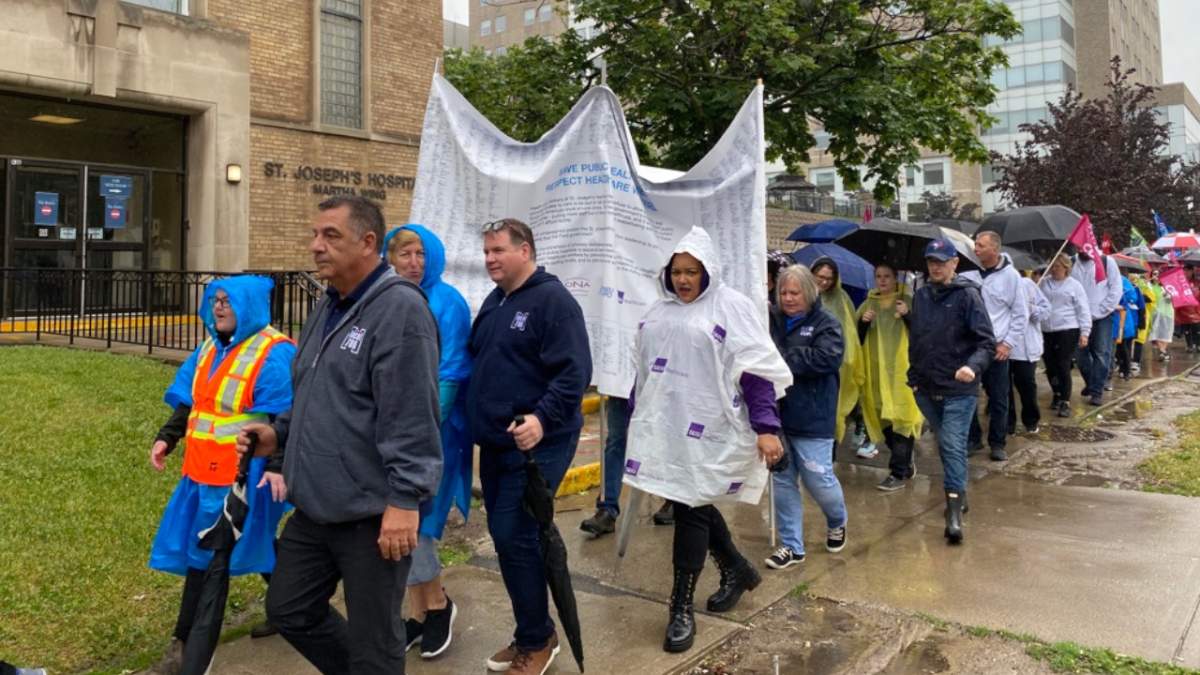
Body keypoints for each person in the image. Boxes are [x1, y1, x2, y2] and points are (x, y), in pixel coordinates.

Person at [238, 196, 443, 674]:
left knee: (376, 642)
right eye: (315, 235)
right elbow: (314, 390)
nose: (316, 246)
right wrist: (277, 435)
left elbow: (413, 415)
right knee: (289, 608)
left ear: (368, 242)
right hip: (316, 506)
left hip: (373, 514)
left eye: (330, 235)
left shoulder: (400, 310)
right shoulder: (329, 305)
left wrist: (405, 500)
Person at [623, 227, 791, 654]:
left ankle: (681, 606)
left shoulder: (730, 307)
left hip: (711, 428)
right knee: (688, 501)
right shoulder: (657, 312)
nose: (682, 279)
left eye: (691, 271)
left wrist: (766, 427)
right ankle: (736, 568)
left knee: (691, 508)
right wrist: (637, 416)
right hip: (665, 428)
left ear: (707, 271)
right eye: (676, 271)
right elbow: (642, 370)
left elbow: (754, 370)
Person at [148, 275, 295, 675]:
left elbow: (286, 416)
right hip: (202, 471)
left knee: (209, 553)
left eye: (228, 301)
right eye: (215, 300)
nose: (218, 306)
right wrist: (167, 437)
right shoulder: (208, 348)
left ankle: (186, 649)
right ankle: (294, 605)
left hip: (247, 474)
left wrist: (277, 467)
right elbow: (191, 401)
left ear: (249, 306)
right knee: (248, 540)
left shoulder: (273, 352)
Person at [468, 218, 593, 675]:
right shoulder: (496, 301)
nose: (490, 259)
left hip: (540, 443)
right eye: (486, 252)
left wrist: (541, 418)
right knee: (508, 537)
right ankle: (531, 631)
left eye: (498, 250)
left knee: (514, 533)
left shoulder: (553, 302)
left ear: (525, 251)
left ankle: (538, 640)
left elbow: (575, 372)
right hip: (497, 443)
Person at [382, 224, 472, 659]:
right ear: (390, 258)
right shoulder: (385, 297)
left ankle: (437, 606)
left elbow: (451, 371)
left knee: (416, 522)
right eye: (405, 254)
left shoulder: (447, 302)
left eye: (421, 254)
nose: (414, 263)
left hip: (434, 431)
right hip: (390, 429)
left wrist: (420, 427)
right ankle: (418, 613)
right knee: (397, 522)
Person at [907, 238, 995, 545]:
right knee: (946, 445)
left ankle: (953, 513)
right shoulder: (921, 296)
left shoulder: (968, 296)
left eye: (942, 262)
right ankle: (960, 491)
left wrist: (972, 366)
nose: (936, 267)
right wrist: (914, 376)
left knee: (953, 444)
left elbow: (987, 343)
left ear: (955, 263)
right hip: (925, 387)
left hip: (959, 388)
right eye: (931, 261)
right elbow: (918, 339)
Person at [767, 264, 848, 569]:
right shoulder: (770, 319)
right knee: (783, 481)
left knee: (819, 480)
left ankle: (837, 520)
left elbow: (826, 358)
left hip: (813, 417)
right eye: (783, 292)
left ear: (809, 293)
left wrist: (780, 357)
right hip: (776, 417)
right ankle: (791, 546)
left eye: (795, 293)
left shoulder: (827, 324)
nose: (788, 298)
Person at [856, 264, 923, 491]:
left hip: (902, 371)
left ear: (896, 278)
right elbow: (856, 339)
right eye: (878, 276)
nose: (882, 280)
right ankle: (905, 460)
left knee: (902, 418)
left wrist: (907, 316)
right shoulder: (868, 304)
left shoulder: (907, 301)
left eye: (887, 276)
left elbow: (922, 334)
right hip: (876, 372)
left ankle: (898, 472)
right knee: (882, 417)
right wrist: (863, 323)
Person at [964, 232, 1027, 462]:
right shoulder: (967, 272)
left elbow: (1020, 313)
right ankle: (973, 438)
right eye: (975, 245)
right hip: (969, 346)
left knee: (999, 397)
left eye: (981, 245)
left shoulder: (1011, 277)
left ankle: (998, 442)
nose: (976, 249)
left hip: (995, 347)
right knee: (967, 396)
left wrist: (1007, 344)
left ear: (995, 249)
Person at [811, 257, 865, 463]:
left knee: (832, 414)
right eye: (820, 277)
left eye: (829, 279)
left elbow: (850, 334)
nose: (824, 282)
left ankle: (828, 459)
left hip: (833, 367)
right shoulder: (801, 296)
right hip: (807, 366)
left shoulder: (841, 300)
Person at [1039, 255, 1091, 417]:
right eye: (1052, 266)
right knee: (1050, 364)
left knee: (1063, 364)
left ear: (1066, 268)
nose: (1054, 270)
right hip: (1047, 329)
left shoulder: (1074, 286)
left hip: (1067, 329)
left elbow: (1083, 309)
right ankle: (1056, 392)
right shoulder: (1043, 283)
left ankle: (1065, 401)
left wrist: (1085, 332)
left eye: (1058, 267)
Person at [1071, 249, 1123, 405]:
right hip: (1077, 318)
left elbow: (1116, 288)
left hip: (1102, 317)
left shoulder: (1107, 262)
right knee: (1080, 355)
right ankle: (1091, 382)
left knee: (1101, 353)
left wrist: (1103, 309)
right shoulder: (1071, 262)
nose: (1083, 250)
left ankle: (1096, 391)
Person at [1008, 274, 1050, 434]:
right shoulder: (992, 286)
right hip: (1002, 347)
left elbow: (1046, 310)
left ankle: (1031, 420)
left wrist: (1031, 309)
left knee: (1026, 384)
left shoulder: (1027, 285)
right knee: (1003, 389)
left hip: (1025, 349)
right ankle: (1008, 424)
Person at [1111, 273, 1144, 381]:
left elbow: (1133, 299)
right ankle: (1122, 368)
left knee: (1123, 346)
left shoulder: (1125, 283)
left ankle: (1126, 370)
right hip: (1117, 320)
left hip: (1123, 320)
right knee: (1118, 347)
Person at [1130, 272, 1156, 372]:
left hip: (1142, 315)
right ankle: (1124, 361)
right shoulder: (1125, 282)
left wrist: (1140, 294)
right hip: (1130, 314)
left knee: (1139, 339)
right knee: (1127, 339)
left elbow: (1151, 299)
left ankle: (1135, 361)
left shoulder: (1145, 285)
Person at [1149, 270, 1175, 361]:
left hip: (1167, 312)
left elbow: (1173, 297)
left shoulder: (1166, 286)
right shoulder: (1149, 286)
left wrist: (1168, 295)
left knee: (1166, 333)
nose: (1156, 276)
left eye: (1158, 274)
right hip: (1154, 313)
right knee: (1155, 333)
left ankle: (1162, 351)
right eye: (1154, 274)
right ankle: (1162, 351)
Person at [1175, 266, 1200, 353]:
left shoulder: (1197, 282)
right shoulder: (1180, 283)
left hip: (1196, 309)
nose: (1186, 273)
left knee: (1197, 329)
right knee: (1186, 330)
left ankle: (1198, 344)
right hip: (1184, 309)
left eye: (1188, 271)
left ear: (1192, 271)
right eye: (1184, 271)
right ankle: (1190, 345)